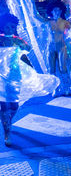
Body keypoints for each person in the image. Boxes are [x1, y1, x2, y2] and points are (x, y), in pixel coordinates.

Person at [0, 13, 59, 146]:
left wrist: (23, 44)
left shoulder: (18, 40)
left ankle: (8, 121)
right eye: (8, 27)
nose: (10, 29)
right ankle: (7, 132)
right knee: (4, 105)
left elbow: (28, 50)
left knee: (14, 105)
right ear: (3, 26)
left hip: (15, 76)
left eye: (12, 27)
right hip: (1, 77)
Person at [46, 0, 71, 97]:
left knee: (62, 68)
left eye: (58, 10)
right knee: (52, 70)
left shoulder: (65, 22)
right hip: (51, 48)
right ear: (51, 11)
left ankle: (66, 87)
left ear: (61, 11)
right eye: (54, 10)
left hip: (61, 47)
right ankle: (54, 89)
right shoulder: (48, 23)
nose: (57, 12)